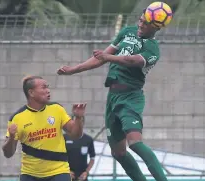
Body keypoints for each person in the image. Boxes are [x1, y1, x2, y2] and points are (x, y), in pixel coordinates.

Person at [57, 5, 171, 181]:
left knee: (135, 142)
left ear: (155, 27)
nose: (140, 25)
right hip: (113, 97)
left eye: (146, 23)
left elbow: (131, 60)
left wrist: (108, 57)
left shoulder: (152, 49)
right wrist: (74, 69)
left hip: (130, 97)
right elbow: (100, 57)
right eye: (140, 20)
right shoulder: (127, 32)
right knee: (118, 152)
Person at [2, 75, 87, 181]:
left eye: (48, 87)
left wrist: (78, 118)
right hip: (30, 174)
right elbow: (8, 154)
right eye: (44, 87)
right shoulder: (17, 118)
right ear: (31, 93)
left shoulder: (57, 109)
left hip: (59, 172)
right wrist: (11, 137)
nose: (48, 91)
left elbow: (76, 135)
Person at [64, 116, 96, 181]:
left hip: (82, 177)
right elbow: (58, 157)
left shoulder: (88, 139)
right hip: (67, 176)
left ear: (83, 123)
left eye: (80, 121)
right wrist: (66, 171)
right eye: (75, 122)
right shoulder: (64, 138)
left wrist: (86, 172)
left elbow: (92, 158)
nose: (78, 124)